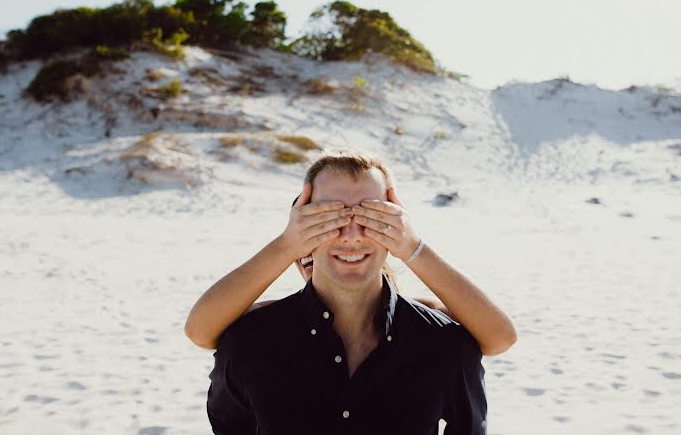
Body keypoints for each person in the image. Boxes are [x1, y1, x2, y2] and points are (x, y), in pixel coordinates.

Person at [194, 149, 515, 433]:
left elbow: (500, 337)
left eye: (369, 215)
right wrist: (286, 245)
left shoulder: (438, 339)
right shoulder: (253, 340)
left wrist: (412, 247)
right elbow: (202, 336)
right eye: (324, 218)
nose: (350, 234)